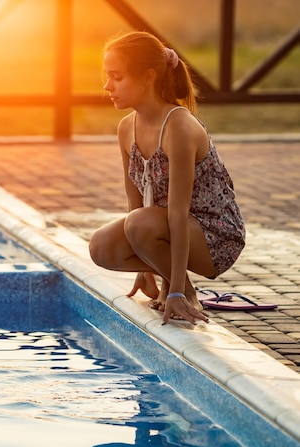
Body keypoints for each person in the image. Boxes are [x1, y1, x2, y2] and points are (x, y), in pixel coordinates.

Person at [88, 31, 245, 325]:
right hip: (164, 227)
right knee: (101, 246)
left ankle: (186, 294)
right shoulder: (126, 128)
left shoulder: (179, 126)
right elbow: (135, 204)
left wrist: (173, 291)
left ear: (148, 77)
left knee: (139, 223)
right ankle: (177, 286)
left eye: (117, 77)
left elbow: (177, 212)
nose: (107, 86)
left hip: (215, 235)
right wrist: (146, 263)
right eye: (107, 76)